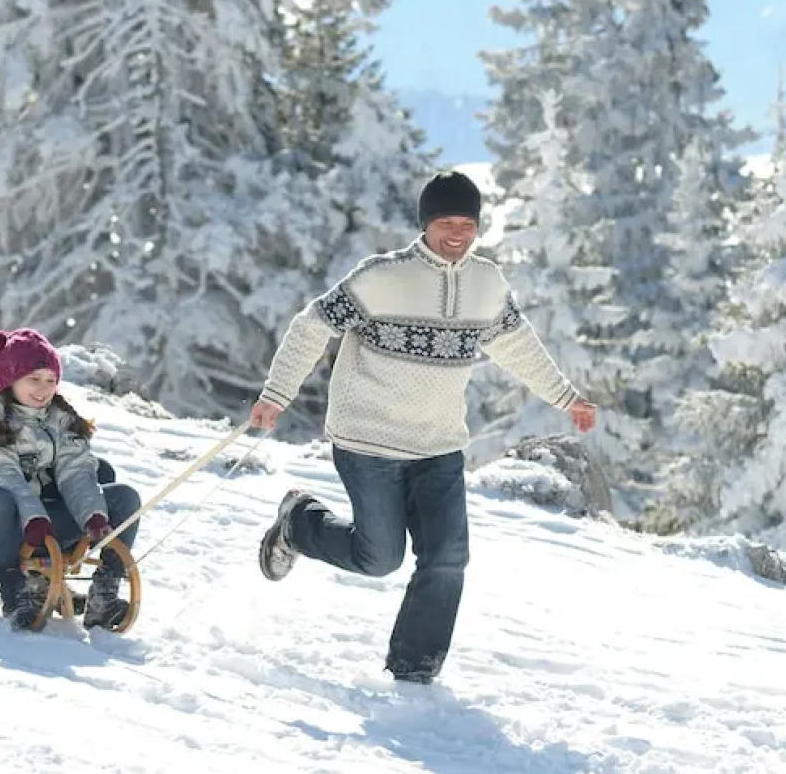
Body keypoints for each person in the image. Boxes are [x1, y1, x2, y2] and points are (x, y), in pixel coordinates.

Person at [251, 169, 597, 684]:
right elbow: (313, 326)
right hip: (369, 441)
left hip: (438, 446)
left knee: (448, 556)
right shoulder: (381, 276)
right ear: (426, 223)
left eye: (467, 223)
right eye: (445, 222)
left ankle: (415, 669)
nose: (456, 234)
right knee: (379, 558)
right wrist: (276, 395)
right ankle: (300, 523)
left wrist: (567, 397)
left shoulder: (485, 282)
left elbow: (516, 344)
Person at [0, 327, 142, 631]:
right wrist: (32, 518)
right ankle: (15, 590)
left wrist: (94, 516)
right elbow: (6, 477)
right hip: (2, 527)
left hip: (46, 523)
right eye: (33, 379)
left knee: (124, 497)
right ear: (9, 379)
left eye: (51, 380)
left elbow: (76, 470)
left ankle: (103, 596)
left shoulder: (59, 415)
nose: (43, 388)